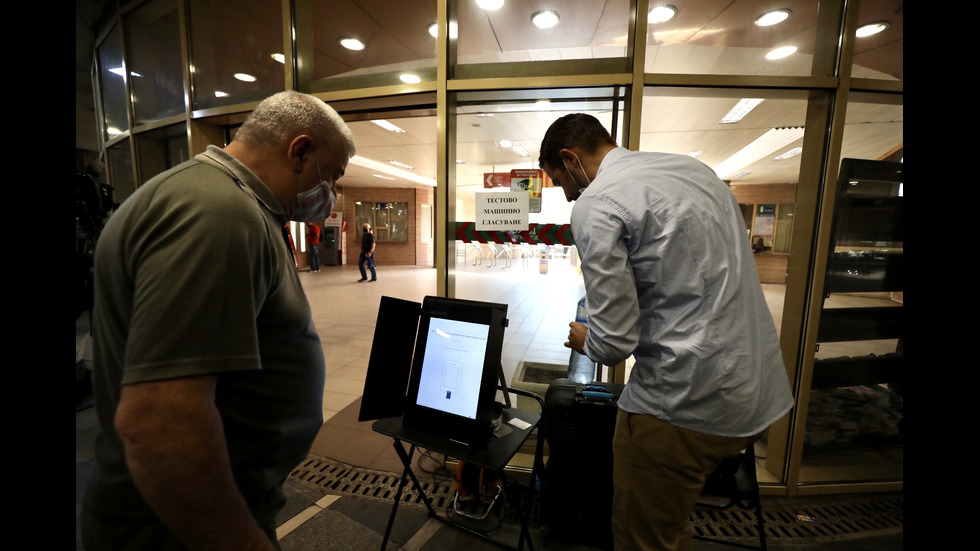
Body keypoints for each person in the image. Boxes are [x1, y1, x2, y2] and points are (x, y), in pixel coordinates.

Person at [81, 90, 356, 551]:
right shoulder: (218, 213)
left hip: (194, 514)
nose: (331, 194)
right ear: (301, 150)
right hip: (176, 529)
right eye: (333, 175)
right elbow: (161, 423)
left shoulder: (224, 202)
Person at [538, 113, 794, 551]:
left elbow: (615, 342)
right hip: (759, 394)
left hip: (683, 405)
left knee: (645, 539)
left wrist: (588, 340)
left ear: (571, 157)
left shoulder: (597, 202)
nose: (568, 195)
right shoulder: (693, 171)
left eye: (562, 181)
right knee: (671, 521)